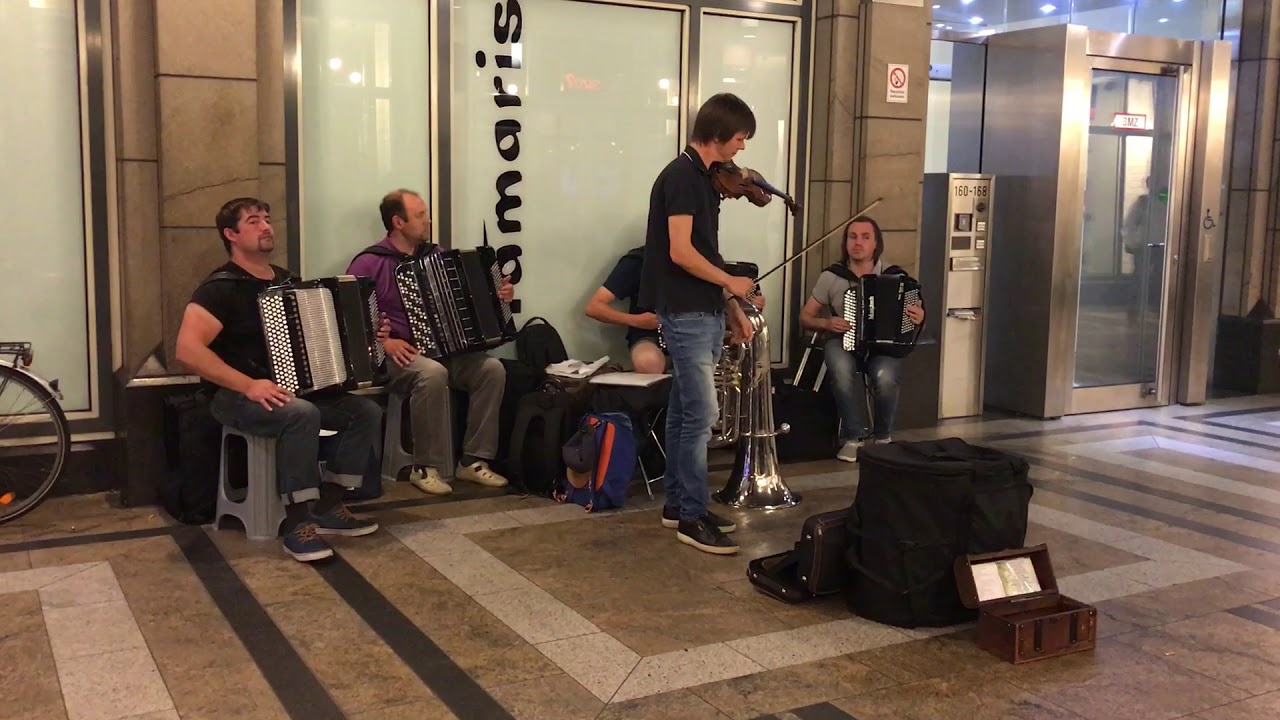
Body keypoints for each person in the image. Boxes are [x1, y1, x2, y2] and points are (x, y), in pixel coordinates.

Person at [176, 197, 382, 562]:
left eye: (267, 219)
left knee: (363, 411)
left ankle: (330, 506)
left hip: (292, 388)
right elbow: (188, 351)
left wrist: (369, 334)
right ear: (231, 234)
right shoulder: (220, 288)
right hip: (235, 395)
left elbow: (322, 336)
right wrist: (248, 384)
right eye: (253, 221)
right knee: (301, 414)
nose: (266, 226)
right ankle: (297, 524)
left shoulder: (289, 281)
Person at [638, 93, 763, 556]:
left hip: (702, 308)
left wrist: (730, 303)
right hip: (686, 311)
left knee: (684, 411)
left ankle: (679, 504)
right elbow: (680, 251)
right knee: (702, 416)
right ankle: (691, 515)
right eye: (739, 138)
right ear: (717, 135)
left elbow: (703, 252)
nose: (741, 149)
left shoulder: (701, 179)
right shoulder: (683, 177)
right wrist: (731, 281)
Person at [346, 189, 514, 496]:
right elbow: (350, 323)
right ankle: (425, 466)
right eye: (420, 215)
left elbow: (468, 299)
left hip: (443, 350)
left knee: (492, 369)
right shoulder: (369, 263)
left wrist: (498, 297)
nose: (428, 221)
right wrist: (387, 344)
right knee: (431, 373)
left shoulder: (437, 256)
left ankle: (474, 460)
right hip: (395, 357)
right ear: (398, 221)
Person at [798, 216, 924, 462]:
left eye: (866, 237)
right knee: (841, 368)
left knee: (886, 376)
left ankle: (883, 437)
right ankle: (853, 438)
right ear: (845, 243)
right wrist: (826, 322)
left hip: (882, 346)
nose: (858, 243)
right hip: (841, 340)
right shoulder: (831, 276)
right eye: (852, 237)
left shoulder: (894, 276)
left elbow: (916, 312)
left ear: (876, 243)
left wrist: (918, 315)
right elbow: (805, 317)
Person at [584, 246, 667, 373]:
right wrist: (638, 321)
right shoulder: (640, 260)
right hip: (652, 335)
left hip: (697, 334)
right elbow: (594, 307)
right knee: (648, 361)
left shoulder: (703, 258)